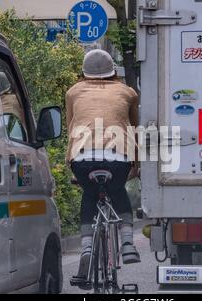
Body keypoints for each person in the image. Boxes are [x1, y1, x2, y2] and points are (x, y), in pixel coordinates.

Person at [66, 49, 140, 284]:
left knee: (90, 195)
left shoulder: (73, 92)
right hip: (118, 159)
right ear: (113, 71)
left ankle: (87, 248)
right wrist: (135, 166)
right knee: (118, 192)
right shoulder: (128, 92)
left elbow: (71, 129)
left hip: (82, 158)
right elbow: (134, 129)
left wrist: (73, 168)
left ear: (84, 71)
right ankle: (127, 243)